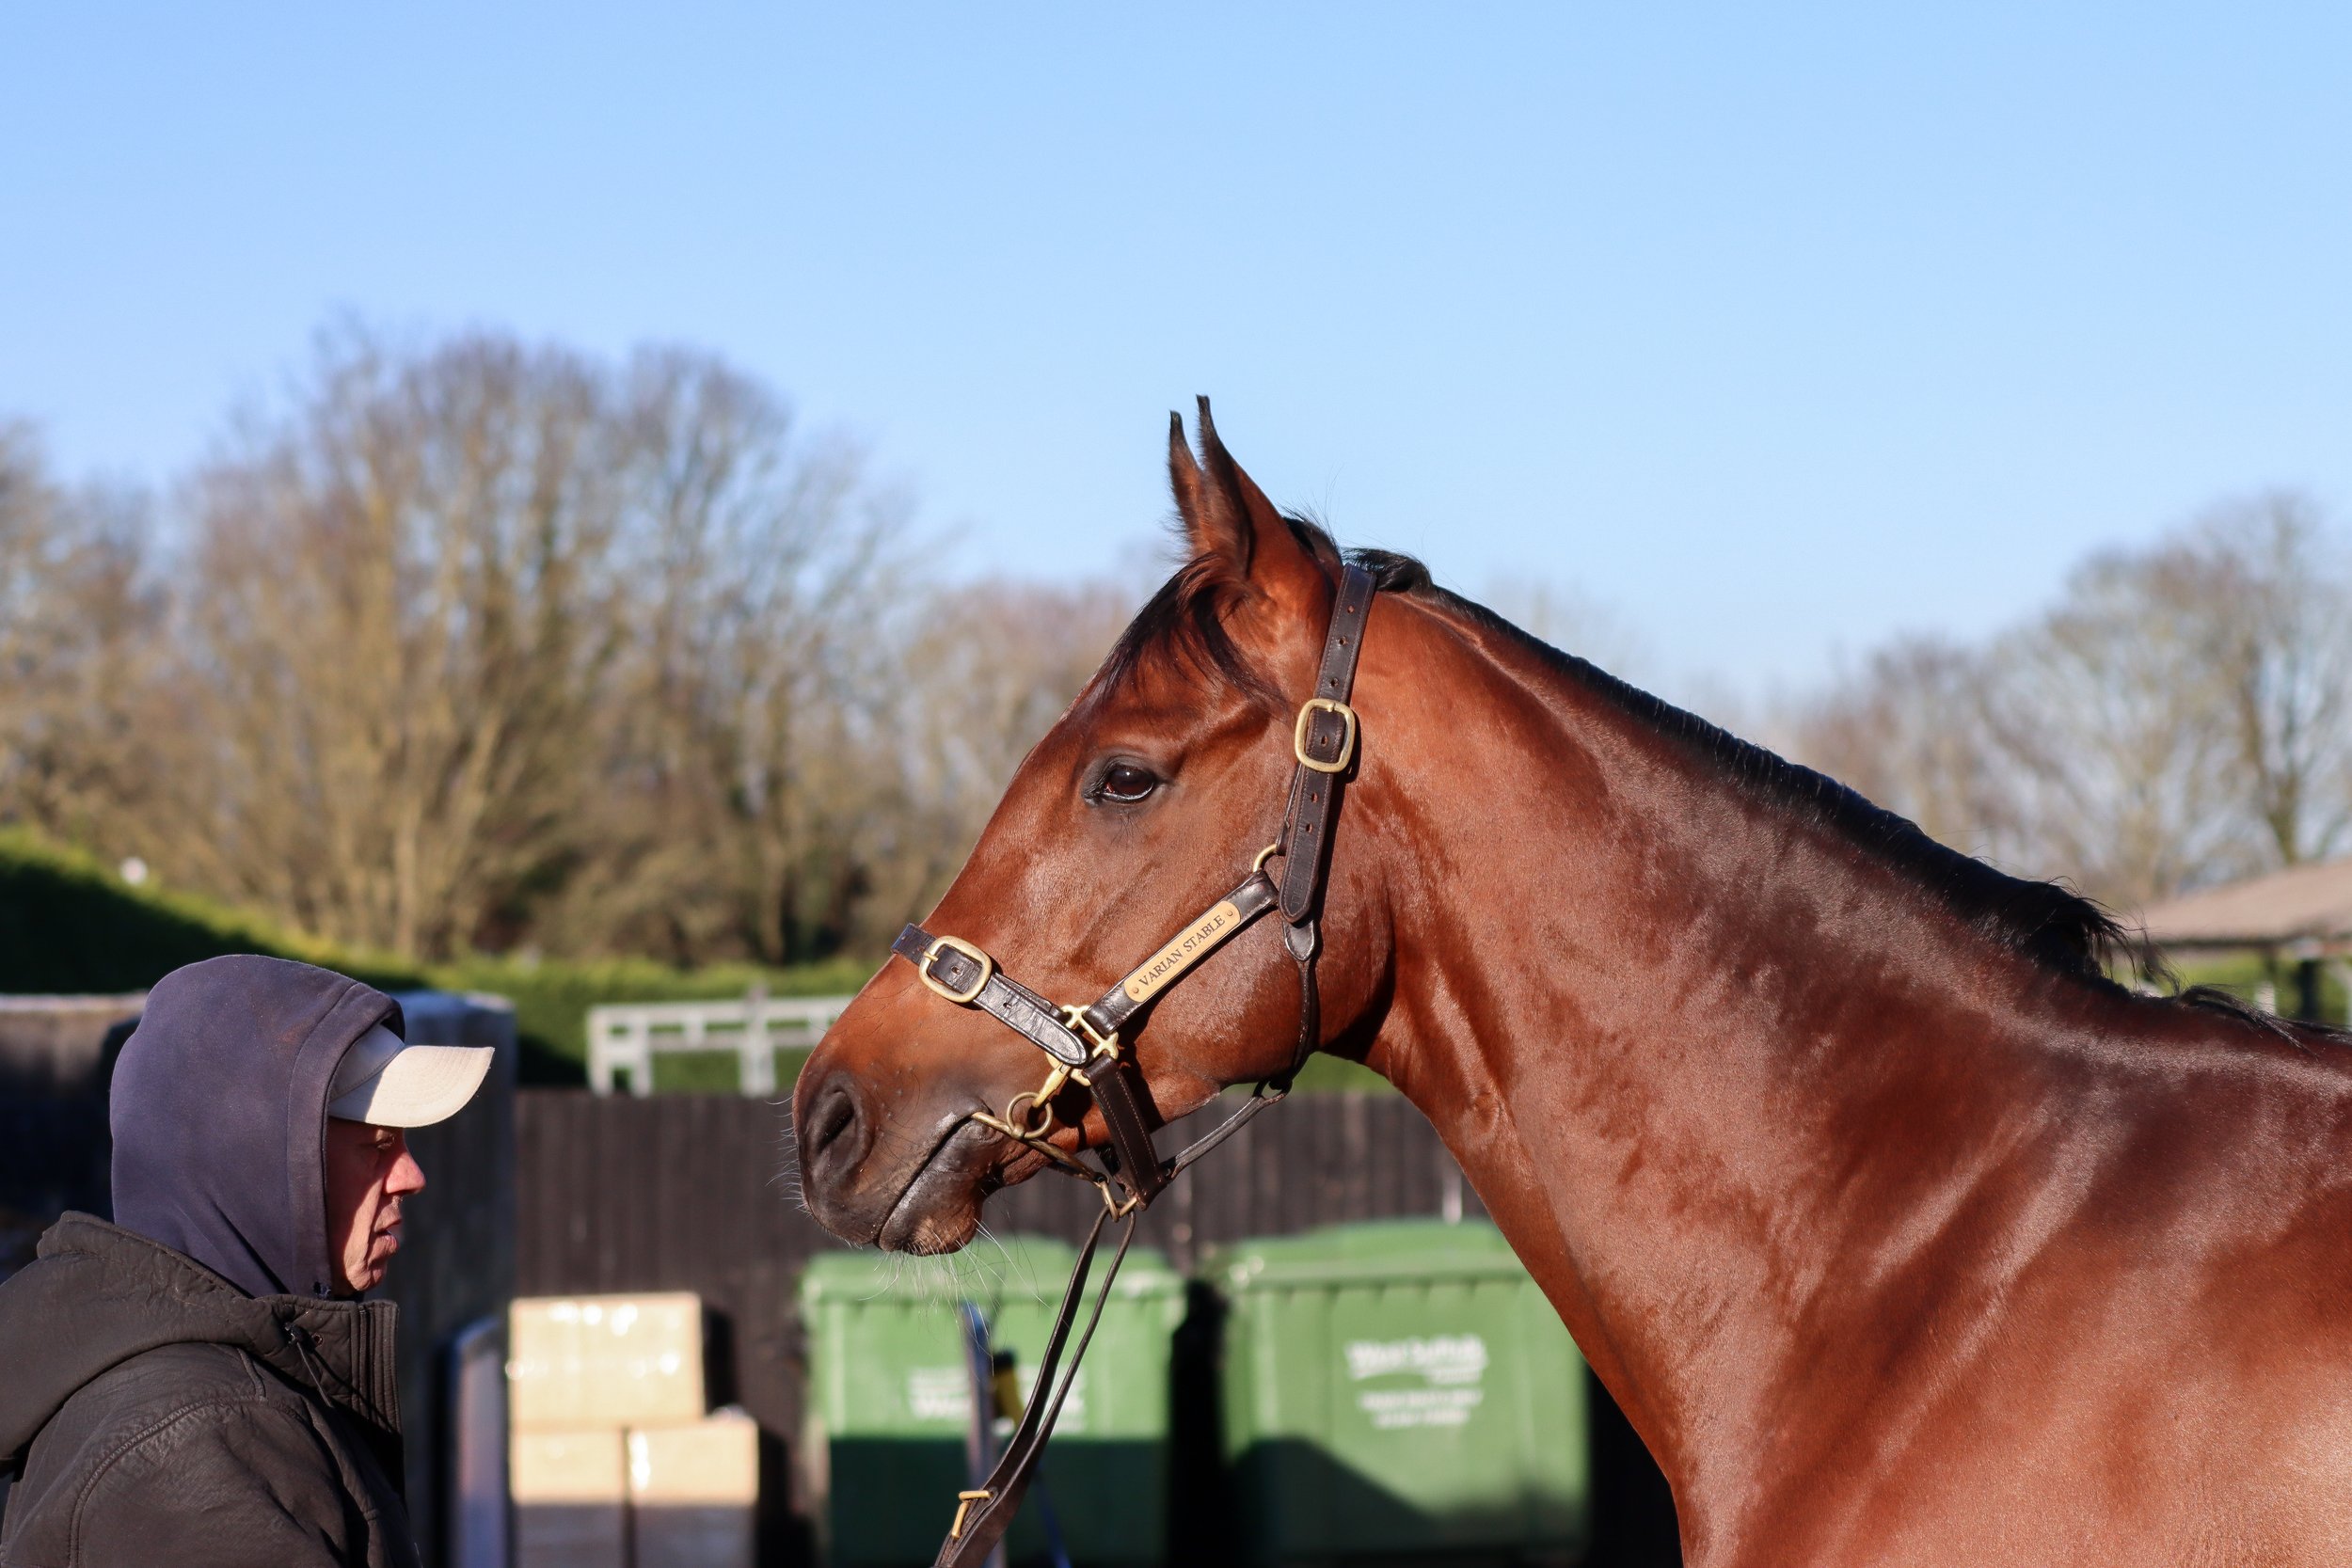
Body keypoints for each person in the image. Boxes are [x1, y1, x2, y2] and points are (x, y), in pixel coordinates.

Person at [0, 955, 494, 1568]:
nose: (411, 1176)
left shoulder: (196, 1398)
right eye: (378, 1145)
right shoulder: (206, 1442)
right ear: (258, 1165)